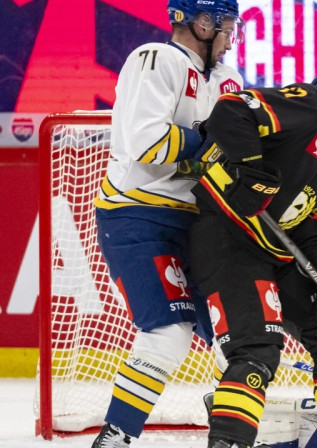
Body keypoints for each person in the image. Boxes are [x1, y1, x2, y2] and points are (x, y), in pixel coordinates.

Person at [187, 41, 317, 448]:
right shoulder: (313, 104)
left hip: (276, 251)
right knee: (258, 349)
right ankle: (228, 442)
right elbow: (230, 110)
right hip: (229, 237)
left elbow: (313, 222)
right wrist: (251, 170)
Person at [91, 1, 244, 446]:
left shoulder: (229, 80)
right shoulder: (155, 59)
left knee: (236, 333)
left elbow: (239, 146)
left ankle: (230, 427)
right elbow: (145, 142)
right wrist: (210, 144)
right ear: (202, 23)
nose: (231, 37)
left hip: (200, 223)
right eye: (226, 27)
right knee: (168, 333)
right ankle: (116, 435)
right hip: (139, 215)